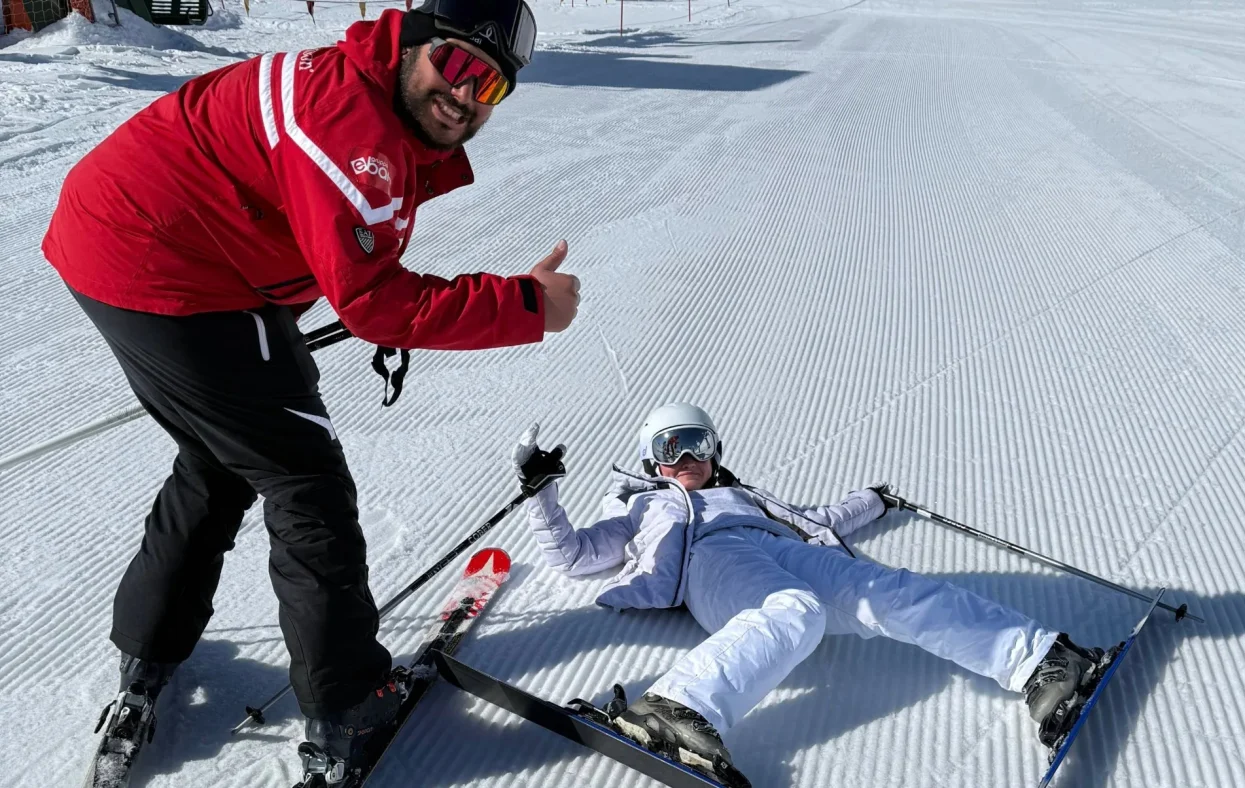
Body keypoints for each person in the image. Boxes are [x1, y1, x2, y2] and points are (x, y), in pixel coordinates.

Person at [43, 0, 577, 777]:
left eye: (490, 88)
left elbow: (304, 225)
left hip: (145, 246)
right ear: (415, 43)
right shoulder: (350, 129)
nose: (465, 97)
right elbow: (373, 300)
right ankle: (349, 706)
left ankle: (150, 648)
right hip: (165, 266)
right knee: (303, 477)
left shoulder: (366, 93)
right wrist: (527, 304)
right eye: (457, 67)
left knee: (224, 455)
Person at [513, 404, 1115, 787]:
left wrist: (875, 500)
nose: (688, 457)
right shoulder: (646, 506)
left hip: (780, 546)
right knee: (793, 612)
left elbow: (820, 517)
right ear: (652, 459)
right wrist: (541, 494)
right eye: (672, 448)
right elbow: (570, 556)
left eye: (697, 441)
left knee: (885, 591)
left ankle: (1045, 661)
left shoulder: (746, 496)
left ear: (716, 448)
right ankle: (673, 708)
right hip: (710, 561)